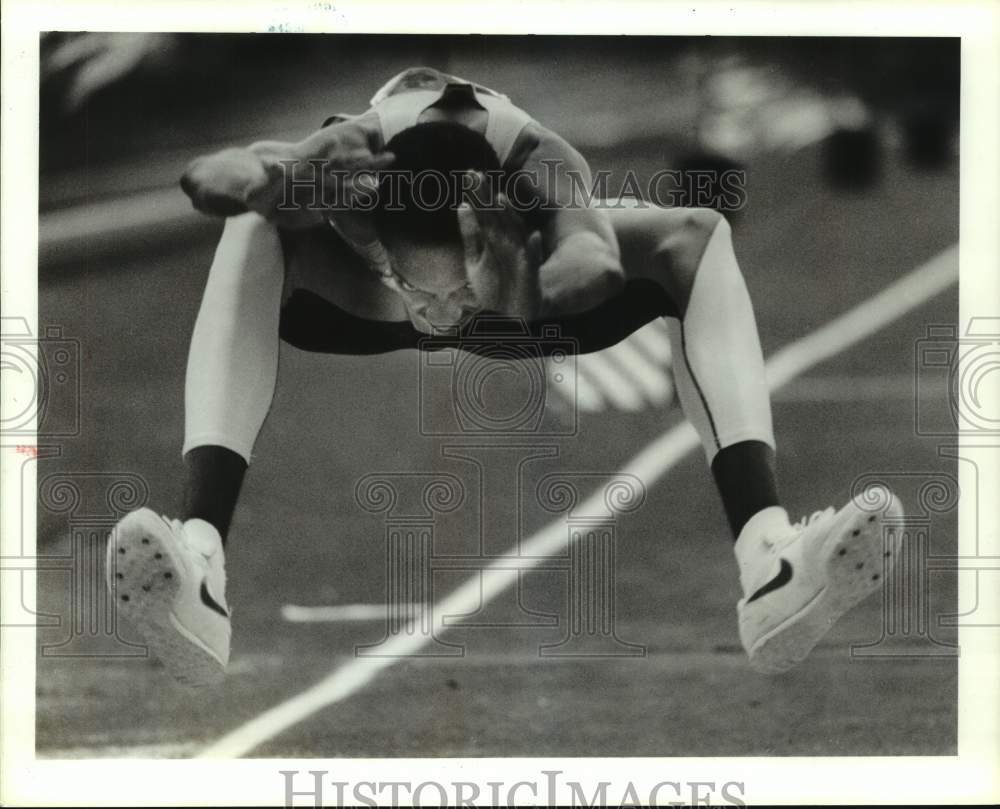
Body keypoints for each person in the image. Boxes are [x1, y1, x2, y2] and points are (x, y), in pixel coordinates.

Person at [106, 67, 902, 686]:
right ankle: (201, 560)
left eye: (445, 288)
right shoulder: (348, 166)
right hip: (363, 301)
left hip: (521, 289)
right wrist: (277, 181)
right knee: (252, 232)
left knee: (698, 236)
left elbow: (590, 261)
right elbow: (208, 178)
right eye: (421, 283)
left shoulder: (544, 171)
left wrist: (519, 290)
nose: (438, 316)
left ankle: (768, 559)